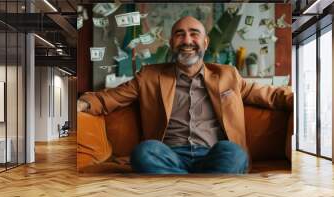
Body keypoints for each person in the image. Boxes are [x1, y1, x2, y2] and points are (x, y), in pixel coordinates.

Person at [77, 16, 293, 174]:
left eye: (194, 33)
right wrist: (83, 104)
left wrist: (299, 101)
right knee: (144, 152)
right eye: (179, 34)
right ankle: (205, 187)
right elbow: (108, 98)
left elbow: (272, 96)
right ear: (171, 43)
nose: (186, 40)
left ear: (205, 43)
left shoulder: (228, 76)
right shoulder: (149, 76)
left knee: (234, 153)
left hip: (214, 155)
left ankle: (179, 185)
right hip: (169, 156)